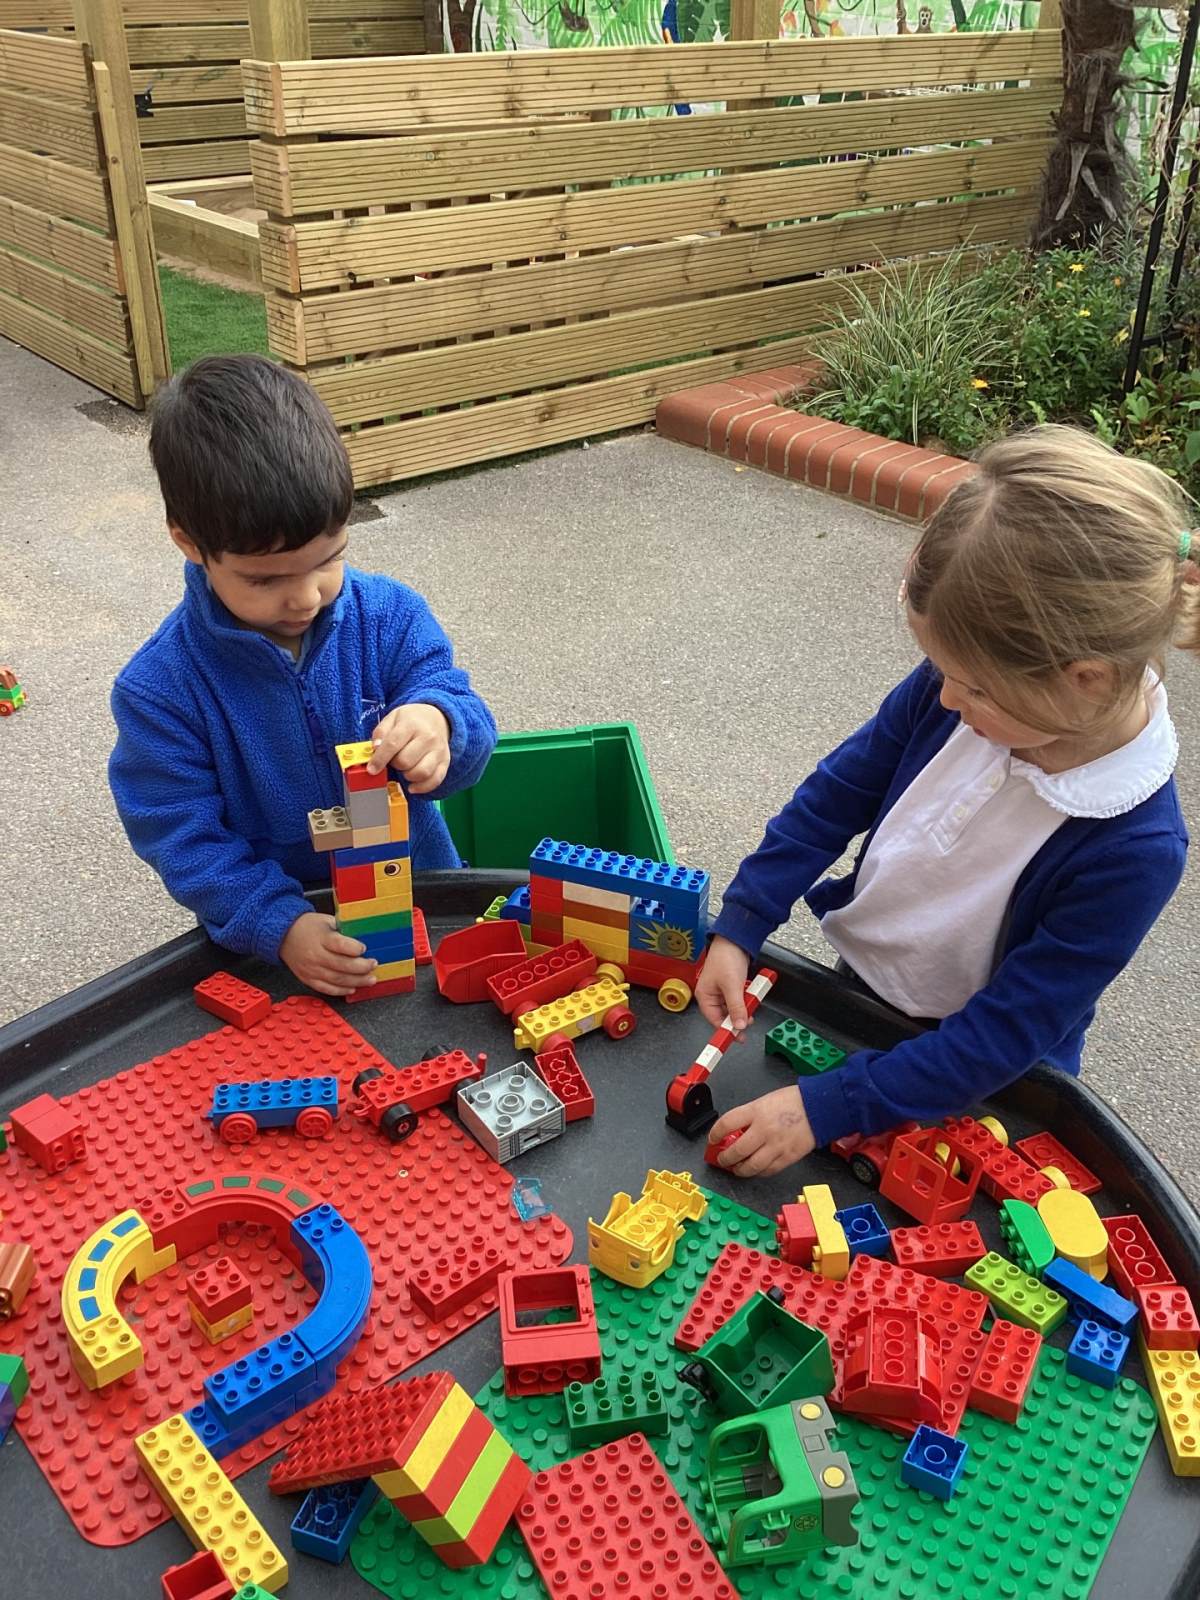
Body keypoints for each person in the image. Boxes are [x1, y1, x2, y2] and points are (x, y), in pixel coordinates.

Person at [698, 425, 1196, 1177]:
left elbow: (1005, 1034)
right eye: (940, 672)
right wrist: (744, 921)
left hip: (982, 1074)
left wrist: (826, 1106)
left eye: (974, 688)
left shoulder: (1135, 847)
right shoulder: (965, 691)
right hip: (865, 990)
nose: (945, 699)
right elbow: (835, 796)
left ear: (1085, 679)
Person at [109, 356, 497, 997]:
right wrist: (277, 923)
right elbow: (179, 835)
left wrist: (440, 724)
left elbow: (461, 711)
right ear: (189, 543)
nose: (306, 596)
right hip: (284, 935)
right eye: (265, 580)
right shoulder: (161, 690)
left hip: (421, 893)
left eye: (329, 560)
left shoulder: (391, 616)